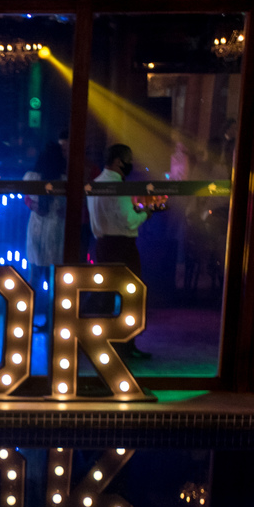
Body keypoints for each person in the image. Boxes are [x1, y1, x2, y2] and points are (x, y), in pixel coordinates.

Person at [88, 143, 151, 359]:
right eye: (129, 159)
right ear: (118, 161)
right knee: (130, 297)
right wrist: (146, 213)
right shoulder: (119, 187)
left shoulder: (95, 184)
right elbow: (129, 220)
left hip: (102, 244)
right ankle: (126, 345)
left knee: (106, 294)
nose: (131, 164)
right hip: (123, 246)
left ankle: (102, 343)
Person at [22, 139, 67, 323]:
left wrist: (33, 205)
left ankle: (26, 318)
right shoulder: (64, 179)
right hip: (56, 229)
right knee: (53, 280)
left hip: (37, 227)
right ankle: (52, 321)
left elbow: (26, 197)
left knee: (34, 276)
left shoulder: (31, 177)